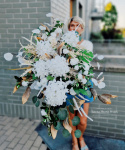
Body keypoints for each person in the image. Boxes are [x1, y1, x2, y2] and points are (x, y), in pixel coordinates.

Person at [66, 16, 94, 150]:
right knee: (72, 117)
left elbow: (84, 62)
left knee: (82, 120)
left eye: (78, 26)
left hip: (83, 85)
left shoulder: (87, 44)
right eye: (72, 25)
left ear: (82, 29)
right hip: (68, 84)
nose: (75, 28)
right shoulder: (63, 44)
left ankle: (81, 137)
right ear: (68, 28)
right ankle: (75, 142)